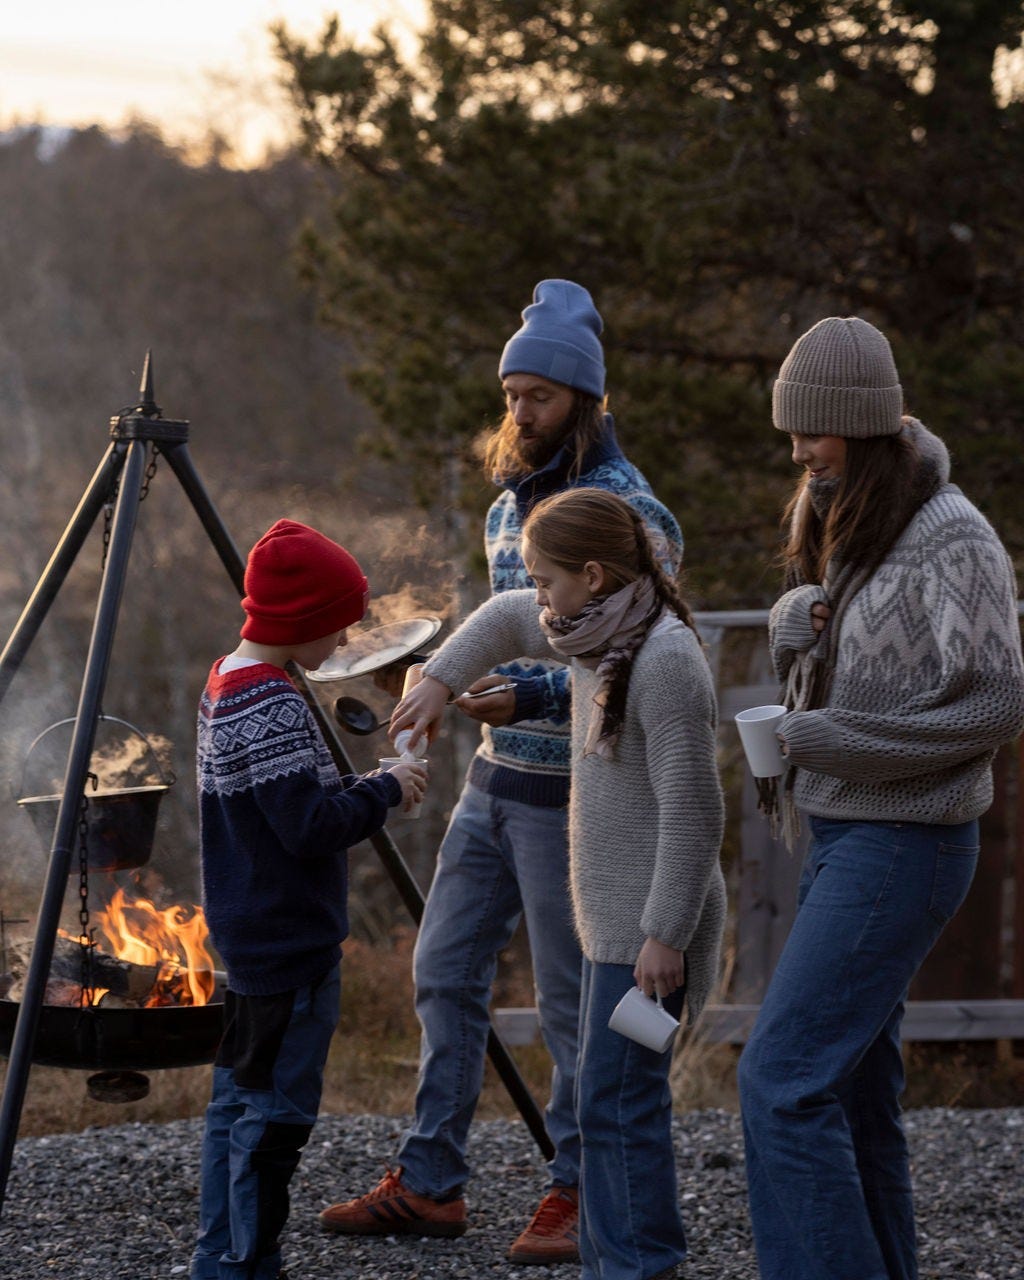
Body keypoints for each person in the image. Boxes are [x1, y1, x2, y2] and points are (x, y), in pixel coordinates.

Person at [319, 279, 683, 1264]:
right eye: (510, 394)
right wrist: (448, 683)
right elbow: (513, 631)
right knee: (442, 969)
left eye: (539, 397)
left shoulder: (635, 514)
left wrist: (530, 696)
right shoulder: (500, 514)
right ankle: (431, 1181)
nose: (518, 414)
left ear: (585, 400)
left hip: (582, 794)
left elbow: (644, 661)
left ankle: (577, 1187)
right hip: (492, 781)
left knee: (572, 1006)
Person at [736, 317, 1024, 1280]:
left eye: (810, 433)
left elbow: (997, 701)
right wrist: (796, 628)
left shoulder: (953, 538)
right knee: (854, 1094)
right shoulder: (866, 513)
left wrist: (832, 740)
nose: (799, 454)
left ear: (859, 423)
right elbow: (873, 660)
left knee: (778, 1081)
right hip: (849, 830)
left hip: (905, 844)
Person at [381, 487, 726, 1280]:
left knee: (620, 1106)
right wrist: (437, 679)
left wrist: (666, 936)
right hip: (617, 925)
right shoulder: (602, 629)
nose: (537, 596)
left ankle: (642, 1265)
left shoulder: (664, 661)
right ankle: (619, 1262)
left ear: (595, 574)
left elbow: (696, 813)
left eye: (546, 581)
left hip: (649, 937)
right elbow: (506, 617)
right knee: (605, 1105)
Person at [190, 518, 426, 1280]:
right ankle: (247, 1266)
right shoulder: (275, 703)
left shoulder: (228, 677)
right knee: (274, 1119)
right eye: (340, 625)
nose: (346, 640)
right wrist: (385, 789)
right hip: (289, 946)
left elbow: (282, 802)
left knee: (235, 1103)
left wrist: (363, 785)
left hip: (247, 936)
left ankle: (218, 1256)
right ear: (303, 622)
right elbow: (309, 827)